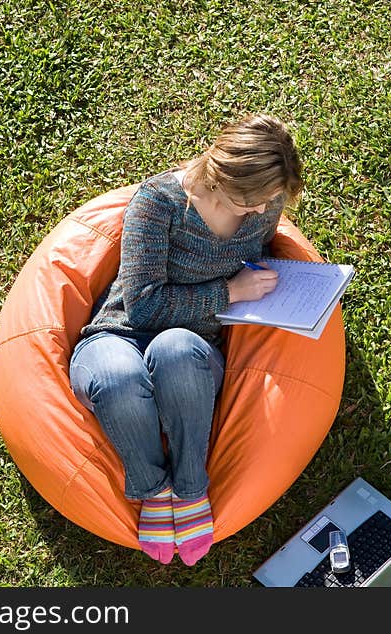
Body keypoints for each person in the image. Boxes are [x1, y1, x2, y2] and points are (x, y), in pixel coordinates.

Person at [69, 114, 304, 565]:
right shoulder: (157, 204)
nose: (260, 211)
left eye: (268, 201)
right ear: (220, 176)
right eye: (250, 201)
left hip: (192, 351)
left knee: (174, 347)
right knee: (119, 376)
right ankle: (154, 490)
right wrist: (228, 292)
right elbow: (142, 307)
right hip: (119, 334)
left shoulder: (264, 206)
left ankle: (191, 487)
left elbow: (257, 256)